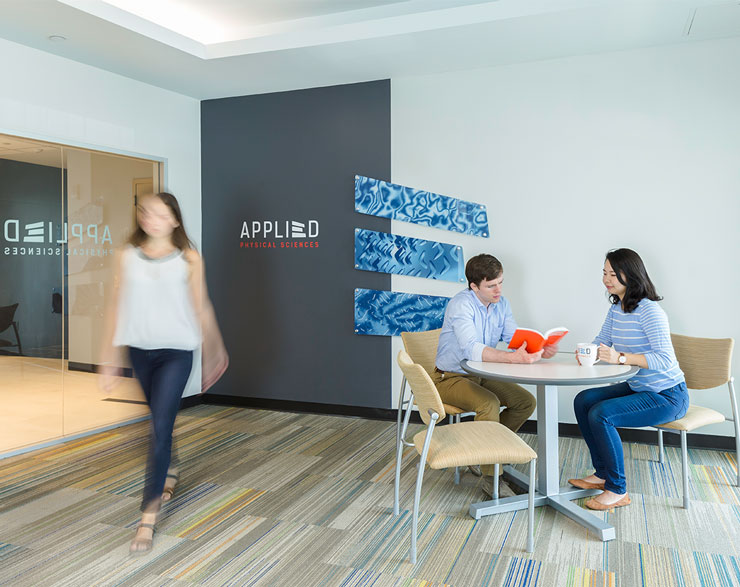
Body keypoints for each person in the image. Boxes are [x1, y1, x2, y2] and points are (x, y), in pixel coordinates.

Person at [100, 192, 228, 554]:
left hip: (176, 351)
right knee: (160, 420)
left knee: (158, 430)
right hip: (139, 350)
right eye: (145, 212)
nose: (150, 218)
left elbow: (201, 305)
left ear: (174, 220)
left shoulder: (189, 259)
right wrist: (107, 357)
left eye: (159, 213)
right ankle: (169, 467)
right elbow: (115, 306)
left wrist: (215, 347)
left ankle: (147, 518)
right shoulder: (126, 257)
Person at [569, 248, 687, 510]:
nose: (606, 279)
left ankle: (618, 489)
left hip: (667, 394)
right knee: (583, 400)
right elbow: (603, 341)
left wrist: (620, 357)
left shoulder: (650, 311)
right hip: (640, 387)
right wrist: (588, 351)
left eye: (613, 274)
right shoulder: (617, 309)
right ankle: (601, 474)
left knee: (601, 414)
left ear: (631, 276)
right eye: (604, 273)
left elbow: (664, 359)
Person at [433, 254, 558, 492]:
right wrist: (512, 358)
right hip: (450, 377)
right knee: (488, 403)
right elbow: (471, 348)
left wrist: (539, 348)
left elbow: (513, 339)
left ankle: (490, 454)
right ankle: (492, 478)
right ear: (474, 286)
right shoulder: (461, 305)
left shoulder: (502, 304)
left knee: (525, 402)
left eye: (500, 282)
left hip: (481, 374)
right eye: (491, 285)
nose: (498, 290)